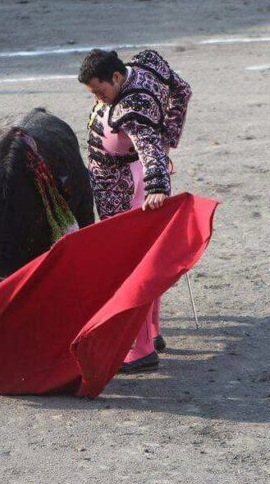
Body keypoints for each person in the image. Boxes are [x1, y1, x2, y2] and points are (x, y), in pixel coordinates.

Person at [78, 48, 192, 372]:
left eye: (100, 91)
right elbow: (182, 91)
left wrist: (157, 185)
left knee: (128, 266)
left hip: (124, 184)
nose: (99, 98)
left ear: (116, 77)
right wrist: (168, 137)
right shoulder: (147, 63)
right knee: (144, 258)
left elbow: (147, 146)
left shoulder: (131, 107)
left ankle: (140, 349)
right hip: (128, 176)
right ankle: (152, 333)